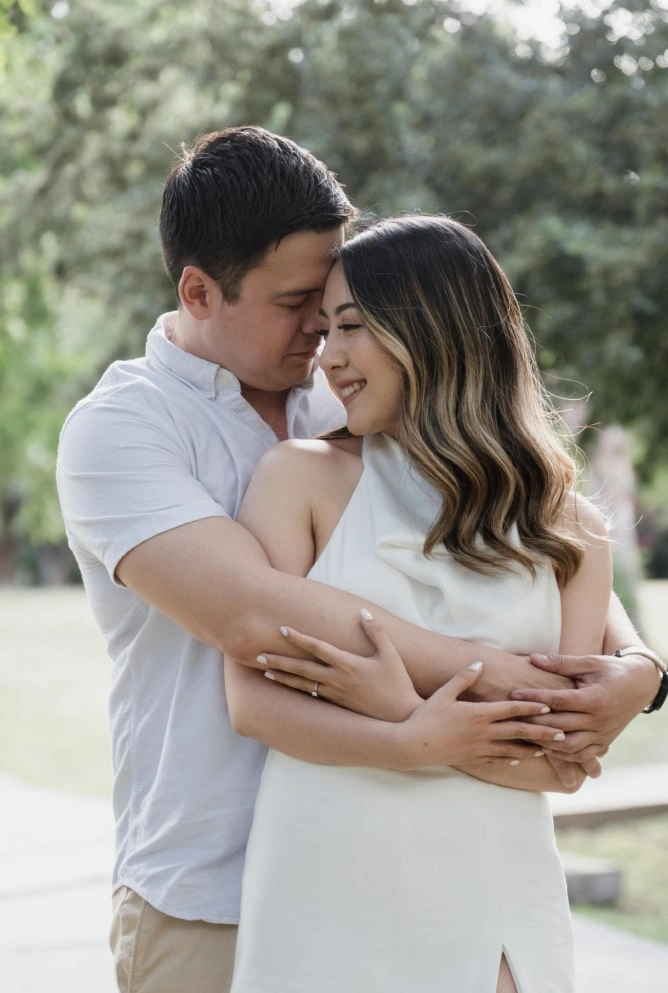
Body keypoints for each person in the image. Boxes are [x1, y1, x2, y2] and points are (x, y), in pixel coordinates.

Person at [55, 128, 665, 993]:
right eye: (301, 301)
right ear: (199, 290)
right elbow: (253, 619)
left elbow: (545, 547)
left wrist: (641, 665)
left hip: (446, 875)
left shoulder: (358, 394)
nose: (324, 330)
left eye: (343, 307)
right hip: (213, 888)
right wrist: (476, 691)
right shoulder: (123, 429)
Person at [225, 214, 613, 993]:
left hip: (494, 897)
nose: (328, 357)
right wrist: (411, 735)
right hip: (325, 885)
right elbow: (252, 703)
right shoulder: (298, 477)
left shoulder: (572, 527)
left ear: (432, 329)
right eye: (323, 330)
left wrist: (402, 704)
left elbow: (566, 766)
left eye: (353, 328)